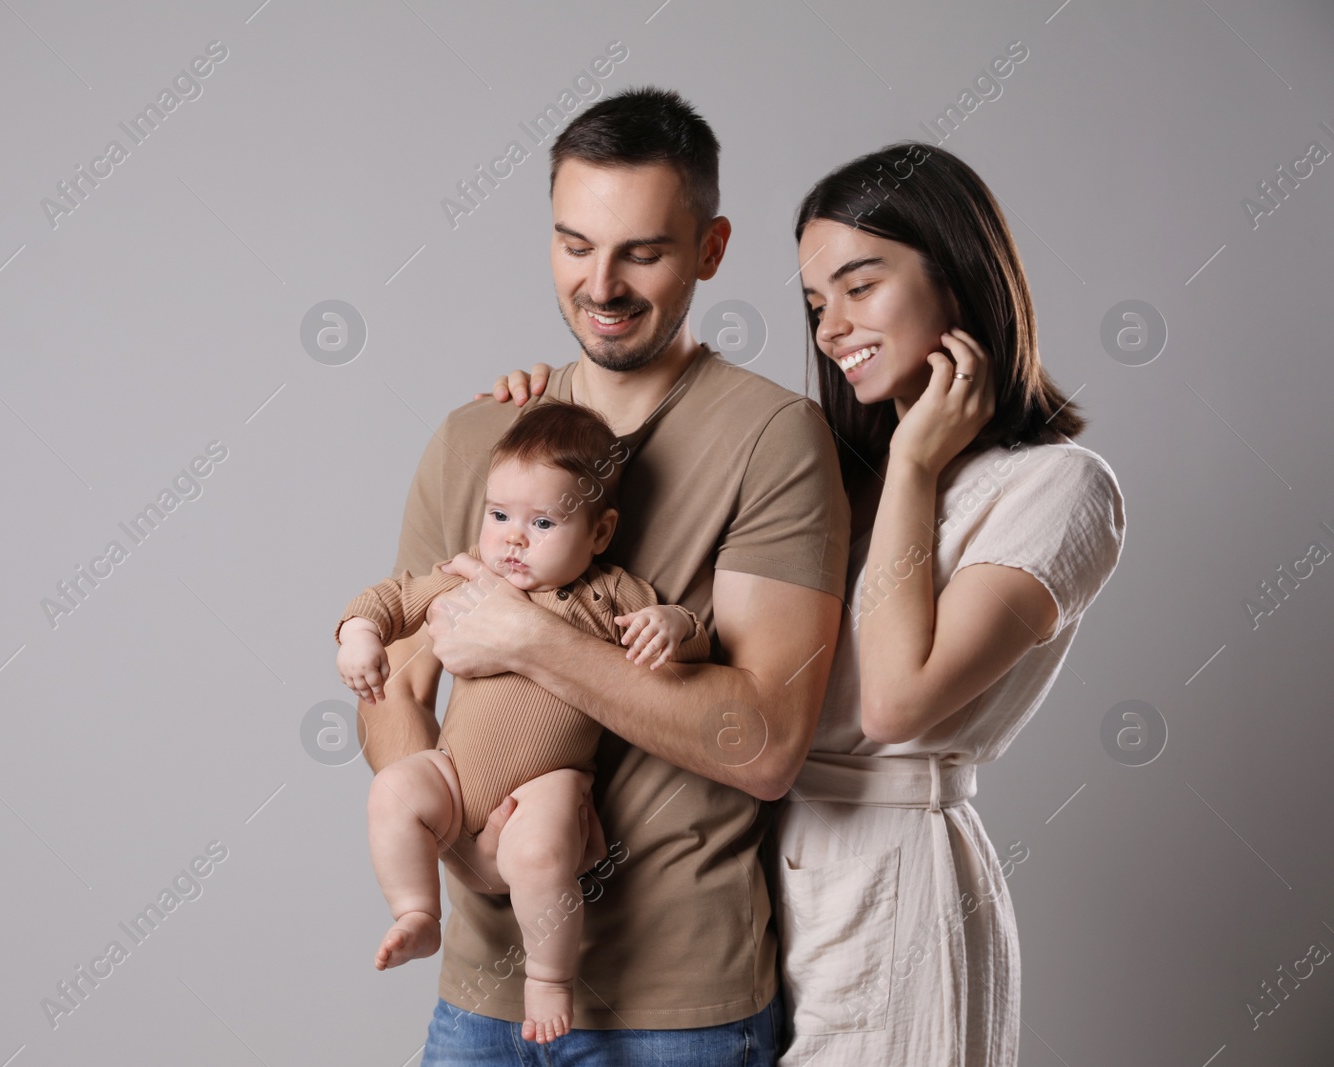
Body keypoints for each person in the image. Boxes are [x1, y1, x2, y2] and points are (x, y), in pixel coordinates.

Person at [483, 140, 1128, 1066]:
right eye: (817, 303)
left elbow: (897, 700)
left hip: (897, 890)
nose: (831, 330)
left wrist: (914, 461)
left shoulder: (1058, 488)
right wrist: (550, 411)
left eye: (861, 287)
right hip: (764, 890)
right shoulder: (832, 465)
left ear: (958, 276)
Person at [365, 87, 850, 1064]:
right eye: (575, 244)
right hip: (481, 994)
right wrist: (461, 834)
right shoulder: (476, 435)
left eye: (644, 251)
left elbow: (761, 742)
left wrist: (532, 638)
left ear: (710, 251)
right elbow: (397, 686)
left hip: (679, 1009)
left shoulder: (774, 439)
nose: (603, 283)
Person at [335, 401, 711, 1044]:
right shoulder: (466, 580)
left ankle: (548, 979)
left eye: (542, 521)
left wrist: (672, 626)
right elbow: (391, 597)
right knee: (394, 792)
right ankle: (418, 910)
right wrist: (360, 634)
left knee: (537, 856)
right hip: (455, 774)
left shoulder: (608, 593)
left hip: (550, 782)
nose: (513, 537)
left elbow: (697, 641)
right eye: (499, 515)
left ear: (598, 532)